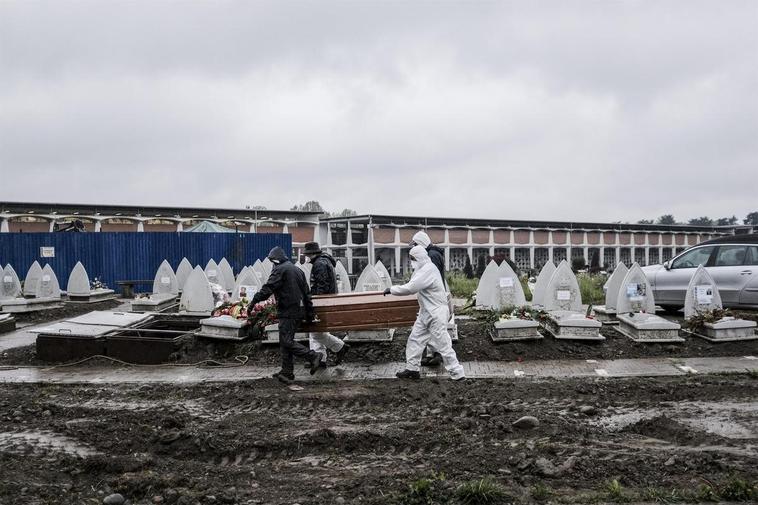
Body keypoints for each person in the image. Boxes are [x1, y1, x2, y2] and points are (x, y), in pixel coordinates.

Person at [383, 245, 465, 381]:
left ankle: (458, 373)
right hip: (426, 312)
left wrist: (392, 289)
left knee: (443, 344)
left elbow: (411, 288)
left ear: (420, 257)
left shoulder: (429, 269)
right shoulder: (422, 269)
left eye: (413, 258)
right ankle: (412, 369)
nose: (411, 261)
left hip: (436, 313)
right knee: (415, 339)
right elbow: (413, 284)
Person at [248, 246, 322, 383]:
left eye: (272, 261)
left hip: (288, 311)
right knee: (285, 341)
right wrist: (309, 313)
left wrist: (254, 301)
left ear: (276, 260)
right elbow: (307, 294)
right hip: (298, 311)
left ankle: (313, 356)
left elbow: (268, 288)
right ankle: (287, 372)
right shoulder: (297, 270)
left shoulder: (280, 269)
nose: (272, 264)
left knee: (287, 341)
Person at [303, 241, 350, 368]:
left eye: (306, 254)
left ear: (312, 254)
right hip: (327, 300)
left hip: (322, 302)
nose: (305, 256)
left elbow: (322, 285)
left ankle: (338, 348)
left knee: (315, 330)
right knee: (317, 331)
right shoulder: (324, 261)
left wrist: (316, 303)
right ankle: (322, 358)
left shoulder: (319, 264)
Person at [409, 231, 452, 367]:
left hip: (433, 297)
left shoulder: (432, 255)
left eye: (415, 244)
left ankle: (437, 355)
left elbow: (426, 276)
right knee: (431, 327)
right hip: (432, 297)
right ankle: (433, 354)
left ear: (421, 243)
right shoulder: (433, 254)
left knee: (435, 328)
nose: (414, 247)